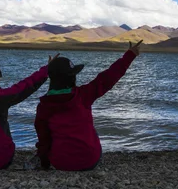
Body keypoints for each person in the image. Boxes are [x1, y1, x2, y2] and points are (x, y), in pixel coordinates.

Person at [33, 41, 143, 171]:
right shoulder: (83, 95)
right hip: (89, 161)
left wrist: (45, 164)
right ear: (71, 78)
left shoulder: (44, 106)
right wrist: (129, 55)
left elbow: (44, 140)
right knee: (91, 131)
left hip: (60, 163)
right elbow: (108, 77)